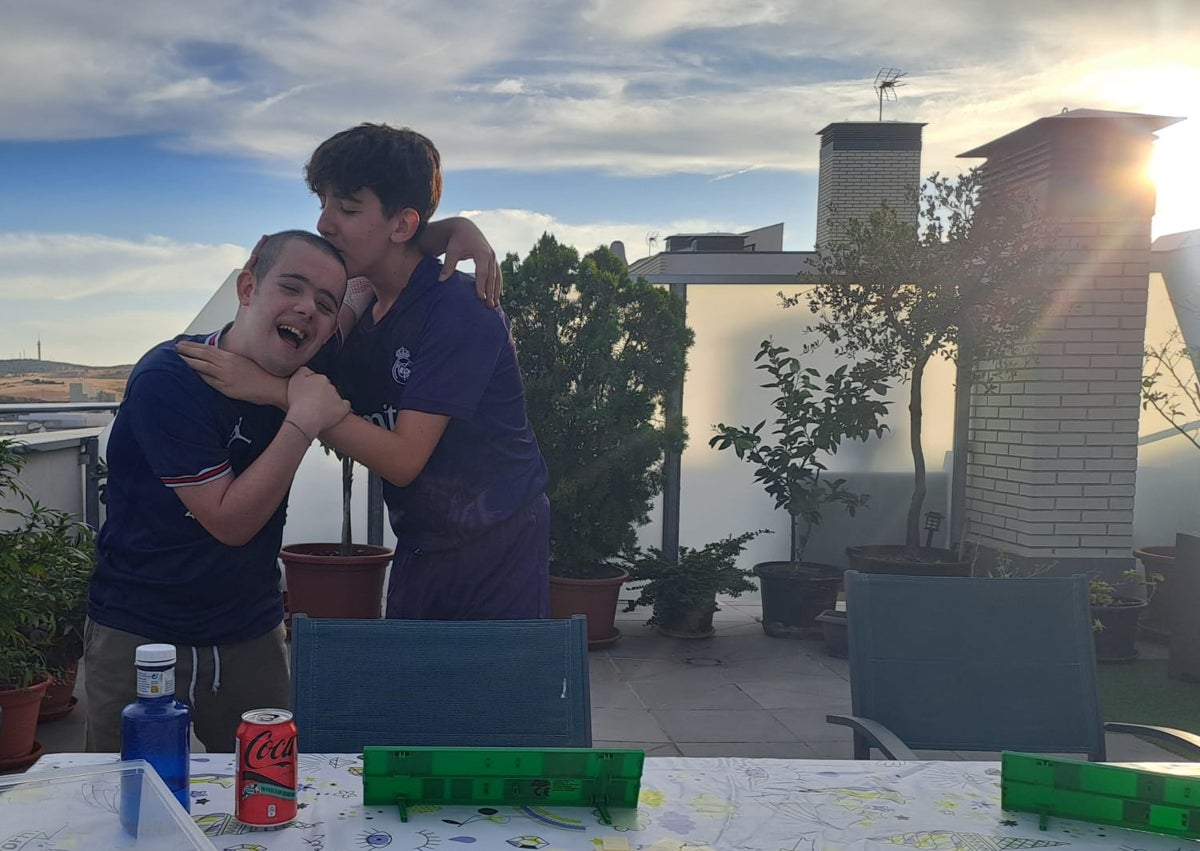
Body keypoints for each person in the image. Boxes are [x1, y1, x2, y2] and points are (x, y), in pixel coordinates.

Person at [181, 123, 550, 621]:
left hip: (494, 549)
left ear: (401, 225)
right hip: (422, 543)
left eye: (347, 209)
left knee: (475, 698)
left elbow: (402, 459)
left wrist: (276, 393)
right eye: (325, 204)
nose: (325, 224)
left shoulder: (458, 309)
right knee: (408, 693)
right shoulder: (360, 301)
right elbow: (274, 350)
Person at [84, 230, 352, 753]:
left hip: (250, 631)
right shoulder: (171, 377)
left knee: (269, 800)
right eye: (290, 287)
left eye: (324, 304)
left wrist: (461, 233)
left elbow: (367, 278)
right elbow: (230, 521)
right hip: (139, 633)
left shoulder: (305, 372)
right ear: (247, 286)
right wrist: (301, 418)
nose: (306, 308)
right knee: (129, 807)